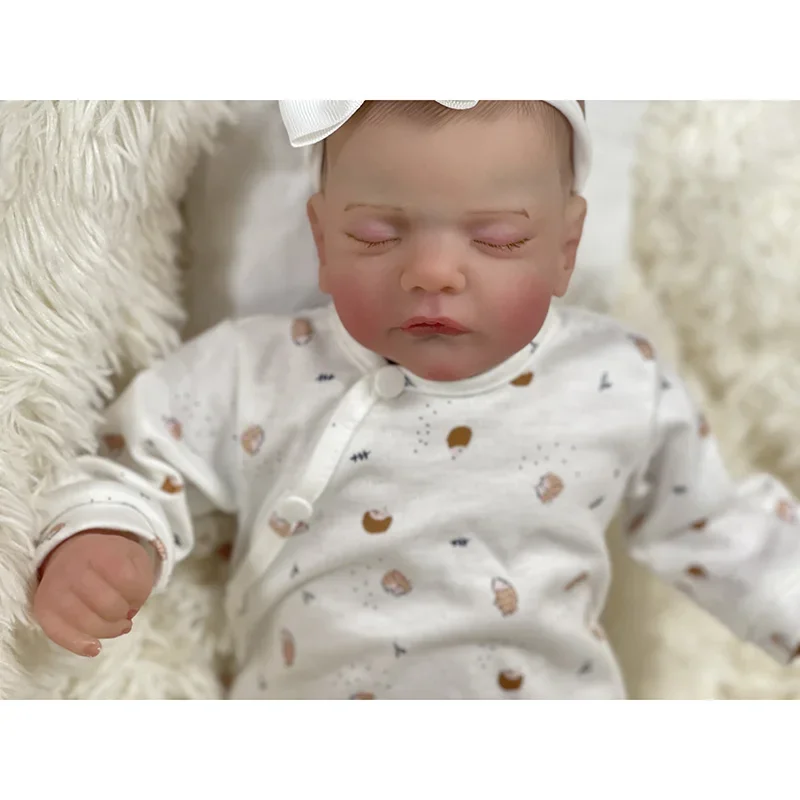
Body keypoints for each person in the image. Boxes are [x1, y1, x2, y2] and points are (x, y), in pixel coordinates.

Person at [31, 100, 800, 699]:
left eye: (496, 239)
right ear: (322, 239)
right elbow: (137, 459)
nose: (433, 271)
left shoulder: (615, 377)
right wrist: (107, 538)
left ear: (566, 249)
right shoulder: (259, 368)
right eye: (375, 234)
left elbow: (717, 525)